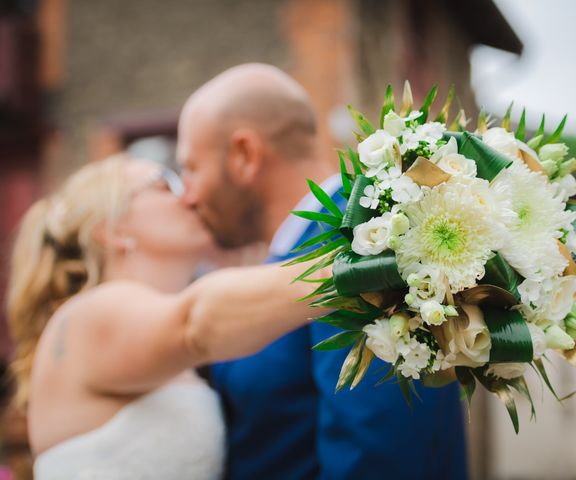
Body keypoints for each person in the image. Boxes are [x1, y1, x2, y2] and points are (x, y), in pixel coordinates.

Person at [178, 63, 468, 479]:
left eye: (190, 168)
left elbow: (377, 458)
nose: (186, 195)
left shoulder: (364, 246)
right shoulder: (297, 252)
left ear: (244, 155)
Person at [6, 154, 329, 479]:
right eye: (166, 185)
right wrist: (350, 267)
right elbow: (195, 325)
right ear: (110, 228)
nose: (191, 196)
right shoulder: (90, 315)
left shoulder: (163, 342)